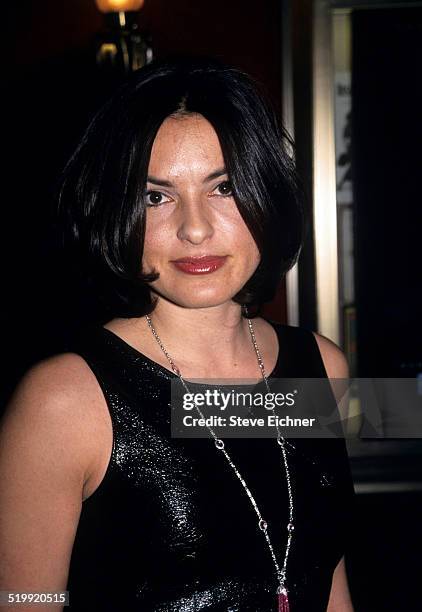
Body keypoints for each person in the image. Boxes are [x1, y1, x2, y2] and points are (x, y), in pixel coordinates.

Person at [0, 57, 355, 611]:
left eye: (225, 187)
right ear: (117, 210)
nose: (195, 228)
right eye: (155, 197)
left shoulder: (323, 368)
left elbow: (326, 576)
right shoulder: (64, 401)